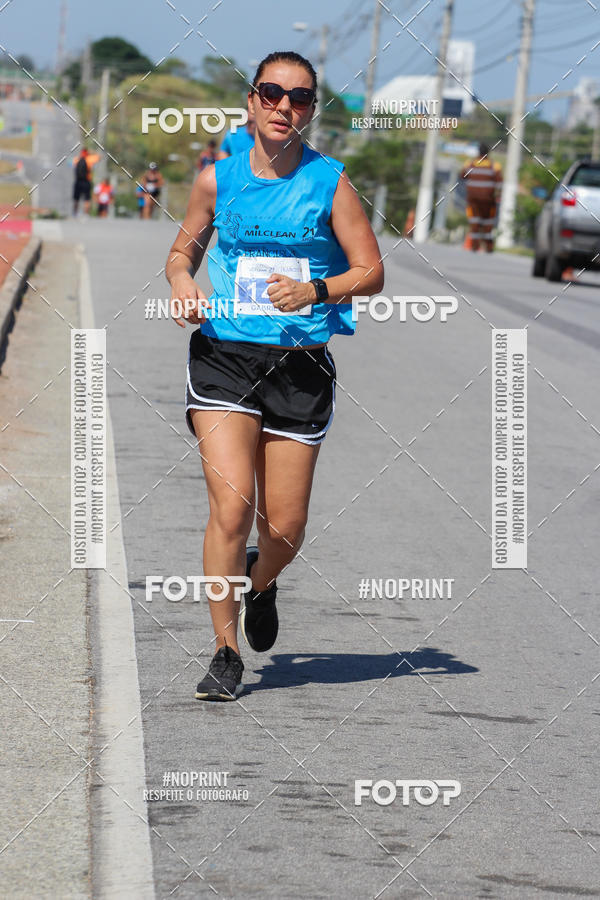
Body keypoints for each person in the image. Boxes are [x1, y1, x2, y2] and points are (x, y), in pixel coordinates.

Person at [165, 50, 384, 701]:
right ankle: (224, 653)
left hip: (301, 367)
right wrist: (182, 282)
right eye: (273, 93)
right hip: (225, 357)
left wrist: (317, 289)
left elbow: (370, 271)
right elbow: (183, 251)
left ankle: (261, 581)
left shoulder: (331, 183)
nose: (285, 106)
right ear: (252, 102)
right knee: (230, 507)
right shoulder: (216, 179)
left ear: (311, 109)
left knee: (283, 529)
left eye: (301, 98)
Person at [460, 142, 503, 252]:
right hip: (488, 200)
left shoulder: (470, 164)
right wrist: (498, 196)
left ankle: (474, 246)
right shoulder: (494, 166)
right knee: (488, 222)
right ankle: (489, 247)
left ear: (478, 152)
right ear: (488, 153)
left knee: (474, 220)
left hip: (472, 199)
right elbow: (499, 182)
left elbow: (462, 175)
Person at [72, 148, 96, 215]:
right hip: (86, 181)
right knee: (87, 198)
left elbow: (72, 164)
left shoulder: (76, 159)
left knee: (76, 198)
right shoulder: (89, 159)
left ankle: (75, 213)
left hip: (78, 181)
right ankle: (86, 213)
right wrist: (91, 152)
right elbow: (99, 157)